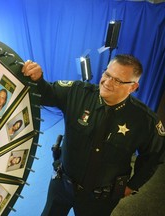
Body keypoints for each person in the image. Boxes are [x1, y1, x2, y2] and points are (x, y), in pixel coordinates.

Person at [22, 54, 165, 216]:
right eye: (107, 74)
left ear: (132, 87)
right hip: (62, 184)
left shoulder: (145, 121)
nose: (107, 82)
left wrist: (132, 186)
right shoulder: (77, 92)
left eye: (117, 80)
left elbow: (153, 157)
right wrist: (38, 78)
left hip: (100, 199)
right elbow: (46, 93)